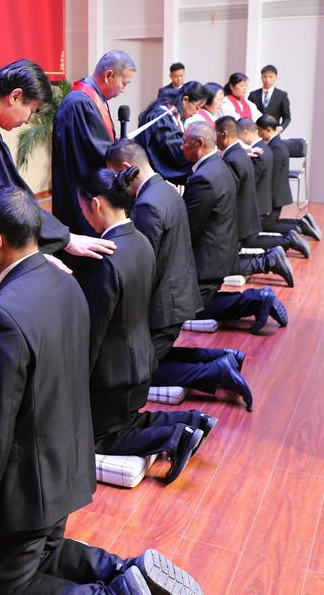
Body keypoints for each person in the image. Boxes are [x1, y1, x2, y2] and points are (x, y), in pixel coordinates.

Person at [0, 186, 202, 595]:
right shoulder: (65, 281)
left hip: (21, 490)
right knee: (44, 553)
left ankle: (113, 592)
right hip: (65, 468)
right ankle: (125, 570)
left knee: (3, 587)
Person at [0, 59, 116, 343]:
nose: (27, 120)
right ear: (15, 96)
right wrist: (63, 238)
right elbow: (6, 194)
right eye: (31, 110)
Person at [75, 167, 216, 483]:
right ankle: (193, 420)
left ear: (96, 204)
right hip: (142, 359)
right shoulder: (140, 240)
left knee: (99, 438)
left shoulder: (107, 256)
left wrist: (76, 378)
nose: (83, 216)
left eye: (83, 208)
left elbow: (94, 331)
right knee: (126, 421)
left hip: (113, 374)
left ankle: (174, 437)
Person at [106, 139, 254, 409]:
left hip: (165, 304)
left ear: (126, 168)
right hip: (177, 294)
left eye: (115, 175)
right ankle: (220, 358)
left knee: (134, 374)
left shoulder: (147, 205)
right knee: (154, 357)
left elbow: (144, 265)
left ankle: (214, 372)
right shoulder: (166, 189)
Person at [182, 122, 288, 341]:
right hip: (220, 250)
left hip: (207, 258)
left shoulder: (204, 178)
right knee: (201, 300)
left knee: (191, 310)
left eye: (184, 143)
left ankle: (257, 299)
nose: (181, 148)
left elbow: (188, 227)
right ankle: (256, 298)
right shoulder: (218, 165)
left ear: (199, 144)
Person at [52, 50, 137, 236]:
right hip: (80, 196)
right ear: (109, 75)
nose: (124, 89)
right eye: (124, 82)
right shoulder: (79, 103)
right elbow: (96, 153)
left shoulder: (92, 99)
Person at [215, 115, 295, 286]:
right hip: (250, 212)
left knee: (222, 265)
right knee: (229, 258)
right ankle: (271, 257)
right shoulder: (245, 154)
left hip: (243, 215)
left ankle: (270, 259)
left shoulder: (239, 156)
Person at [237, 117, 312, 257]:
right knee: (252, 237)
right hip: (263, 202)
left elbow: (252, 181)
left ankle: (288, 239)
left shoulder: (260, 151)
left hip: (259, 204)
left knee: (250, 240)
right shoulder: (265, 147)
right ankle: (291, 235)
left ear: (245, 132)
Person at [256, 114, 321, 241]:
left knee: (267, 224)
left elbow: (274, 178)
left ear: (268, 130)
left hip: (276, 196)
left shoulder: (276, 148)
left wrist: (269, 203)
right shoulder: (277, 144)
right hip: (278, 194)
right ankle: (300, 223)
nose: (258, 133)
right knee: (269, 223)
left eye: (259, 130)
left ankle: (299, 226)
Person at [135, 81, 207, 186]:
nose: (196, 112)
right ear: (185, 100)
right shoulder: (161, 116)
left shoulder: (170, 113)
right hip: (154, 180)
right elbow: (177, 152)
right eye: (197, 107)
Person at [249, 64, 291, 131]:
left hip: (273, 132)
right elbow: (249, 113)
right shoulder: (253, 95)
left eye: (271, 77)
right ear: (261, 77)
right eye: (265, 77)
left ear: (276, 77)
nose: (267, 80)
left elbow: (287, 117)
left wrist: (281, 128)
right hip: (256, 132)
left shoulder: (282, 95)